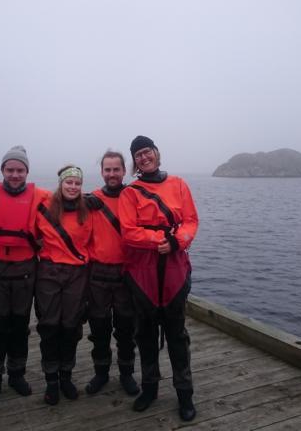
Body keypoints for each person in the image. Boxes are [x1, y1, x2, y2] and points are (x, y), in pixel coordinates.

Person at [117, 136, 199, 422]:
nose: (143, 157)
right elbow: (128, 231)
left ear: (156, 153)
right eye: (138, 155)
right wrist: (157, 240)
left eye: (147, 152)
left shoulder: (178, 184)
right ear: (134, 161)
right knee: (146, 334)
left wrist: (176, 242)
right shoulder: (130, 194)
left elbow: (190, 221)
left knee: (177, 335)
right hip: (143, 272)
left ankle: (184, 393)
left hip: (175, 268)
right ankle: (149, 388)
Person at [0, 146, 50, 410]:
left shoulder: (40, 195)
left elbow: (71, 197)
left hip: (25, 272)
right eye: (10, 170)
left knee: (19, 328)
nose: (15, 175)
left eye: (20, 170)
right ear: (2, 171)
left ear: (27, 172)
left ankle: (17, 375)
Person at [35, 165, 92, 405]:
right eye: (68, 182)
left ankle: (66, 376)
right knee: (49, 326)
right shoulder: (44, 207)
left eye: (77, 183)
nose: (72, 187)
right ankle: (51, 381)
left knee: (71, 326)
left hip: (77, 274)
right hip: (49, 271)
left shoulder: (88, 210)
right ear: (60, 184)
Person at [84, 151, 139, 396]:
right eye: (107, 170)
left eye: (116, 169)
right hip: (98, 275)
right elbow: (62, 201)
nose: (112, 174)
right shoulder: (92, 200)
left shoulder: (134, 196)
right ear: (102, 172)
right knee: (99, 329)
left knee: (126, 329)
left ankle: (126, 374)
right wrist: (84, 199)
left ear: (124, 171)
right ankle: (101, 373)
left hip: (126, 274)